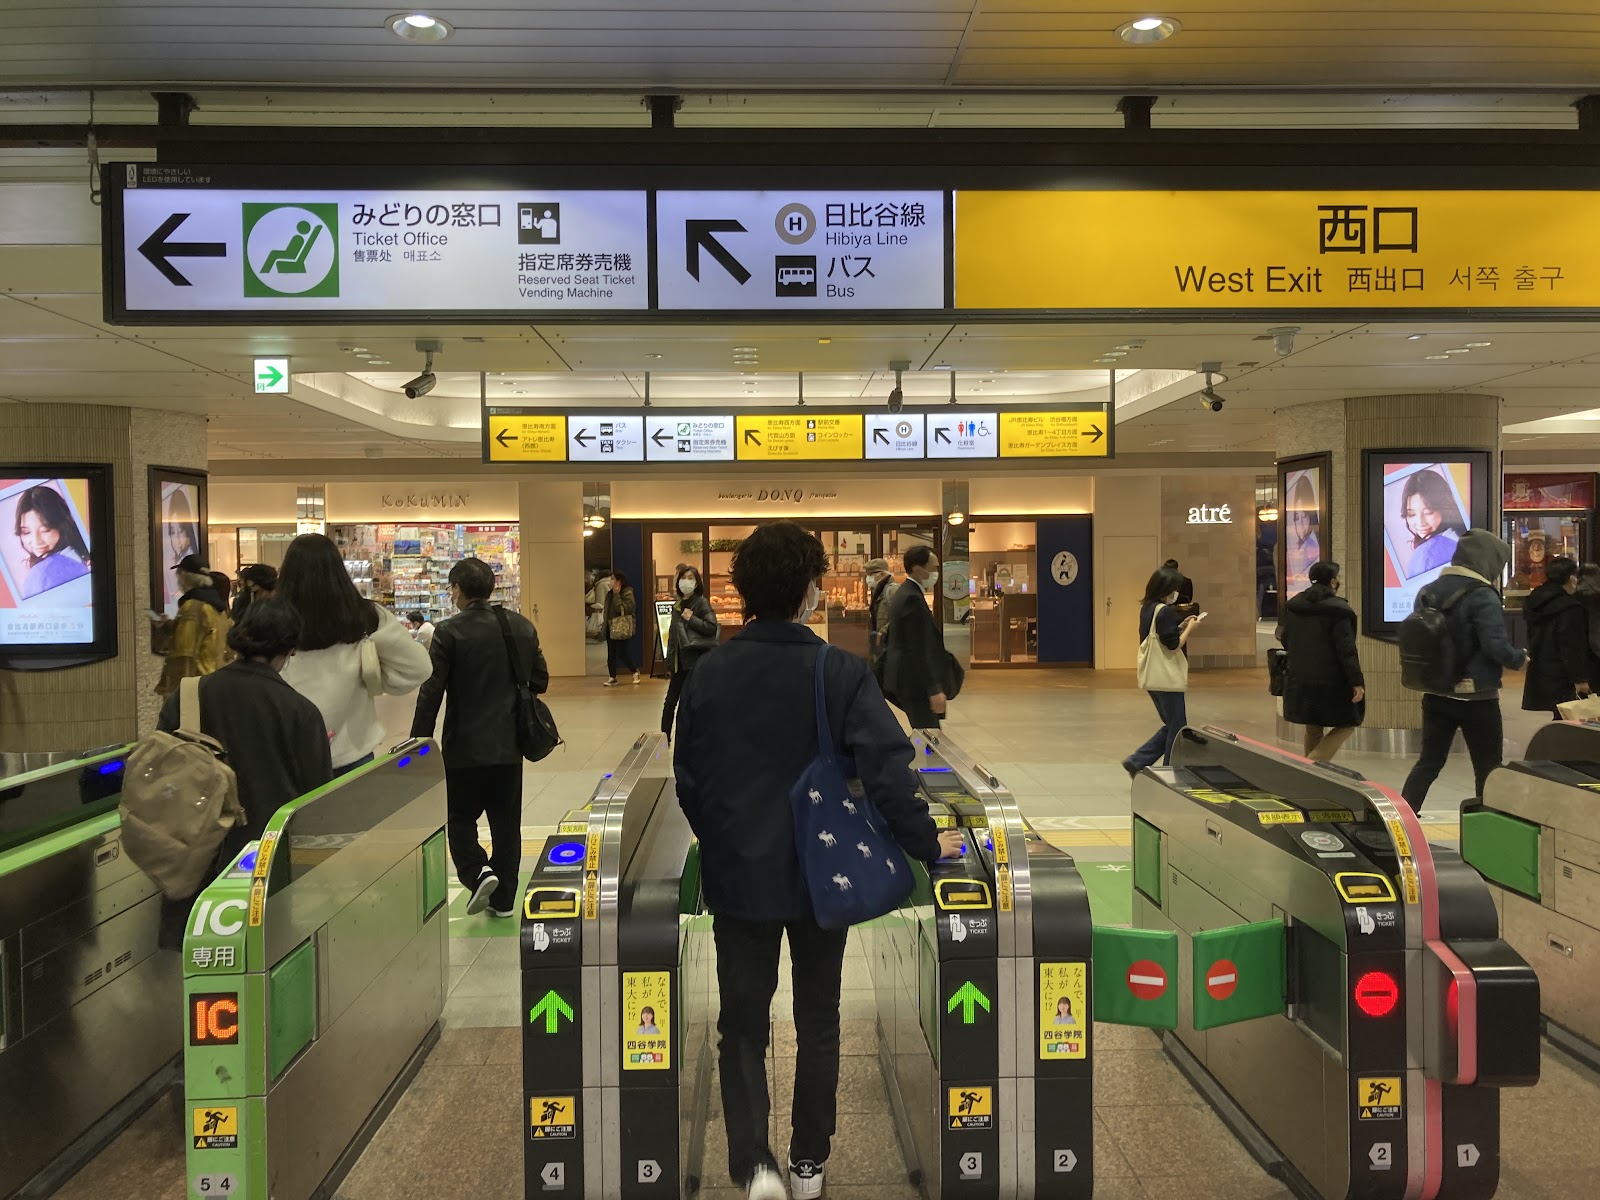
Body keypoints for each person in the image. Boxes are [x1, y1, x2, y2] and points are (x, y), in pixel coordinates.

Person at [673, 521, 963, 1200]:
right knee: (819, 1019)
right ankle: (808, 1163)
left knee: (741, 1024)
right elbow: (888, 772)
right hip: (821, 874)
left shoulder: (709, 671)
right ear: (811, 591)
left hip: (739, 876)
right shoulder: (839, 670)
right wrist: (929, 845)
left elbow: (689, 778)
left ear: (741, 593)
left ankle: (755, 1166)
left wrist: (724, 841)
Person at [153, 599, 333, 945]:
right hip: (264, 862)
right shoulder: (299, 711)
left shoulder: (186, 696)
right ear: (289, 649)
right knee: (258, 955)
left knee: (198, 955)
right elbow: (316, 799)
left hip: (190, 854)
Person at [411, 557, 548, 917]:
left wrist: (418, 742)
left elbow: (432, 691)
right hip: (509, 745)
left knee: (458, 817)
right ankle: (504, 901)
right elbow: (540, 681)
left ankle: (477, 871)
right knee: (506, 825)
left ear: (457, 589)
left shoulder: (448, 632)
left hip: (464, 746)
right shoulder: (521, 626)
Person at [276, 533, 433, 776]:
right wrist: (376, 674)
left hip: (286, 753)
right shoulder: (365, 615)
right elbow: (419, 668)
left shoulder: (271, 617)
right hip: (352, 748)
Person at [1401, 531, 1527, 811]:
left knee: (1429, 762)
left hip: (1436, 691)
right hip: (1477, 698)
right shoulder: (1483, 595)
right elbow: (1495, 645)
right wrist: (1519, 658)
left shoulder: (1428, 590)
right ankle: (1484, 826)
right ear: (1488, 560)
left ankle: (1403, 818)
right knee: (1487, 766)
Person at [1276, 561, 1366, 762]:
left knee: (1313, 726)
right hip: (1332, 680)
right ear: (1333, 582)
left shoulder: (1294, 606)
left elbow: (1286, 639)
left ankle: (1311, 775)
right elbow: (1346, 650)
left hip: (1300, 676)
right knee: (1349, 723)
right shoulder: (1340, 610)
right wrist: (1356, 682)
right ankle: (1313, 763)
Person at [1123, 566, 1201, 775]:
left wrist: (1179, 627)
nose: (1176, 594)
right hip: (1166, 677)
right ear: (1166, 589)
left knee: (1171, 723)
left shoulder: (1148, 608)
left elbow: (1160, 636)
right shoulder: (1164, 611)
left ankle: (1138, 761)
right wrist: (1190, 630)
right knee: (1177, 727)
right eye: (1174, 589)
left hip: (1153, 675)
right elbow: (1173, 645)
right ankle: (1169, 771)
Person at [883, 546, 949, 728]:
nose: (936, 572)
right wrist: (933, 689)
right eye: (933, 567)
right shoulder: (912, 598)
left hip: (904, 679)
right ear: (918, 568)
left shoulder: (905, 592)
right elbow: (918, 648)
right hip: (914, 684)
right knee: (927, 734)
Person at [1521, 556, 1592, 719]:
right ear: (1570, 577)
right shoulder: (1569, 608)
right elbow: (1571, 645)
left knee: (1560, 716)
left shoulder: (1536, 601)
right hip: (1564, 674)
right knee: (1570, 719)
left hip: (1542, 669)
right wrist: (1579, 678)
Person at [154, 554, 228, 696]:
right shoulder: (217, 607)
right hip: (212, 683)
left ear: (184, 577)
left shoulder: (192, 607)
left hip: (194, 689)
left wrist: (178, 695)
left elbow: (184, 654)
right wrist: (170, 626)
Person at [661, 565, 718, 737]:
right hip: (679, 663)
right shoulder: (677, 606)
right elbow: (673, 637)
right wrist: (669, 662)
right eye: (684, 578)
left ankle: (694, 736)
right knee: (670, 702)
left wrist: (691, 619)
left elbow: (711, 627)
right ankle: (664, 738)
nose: (687, 581)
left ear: (697, 582)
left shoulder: (701, 603)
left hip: (695, 662)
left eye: (691, 578)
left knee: (690, 702)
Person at [12, 483, 90, 600]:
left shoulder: (45, 572)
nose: (36, 541)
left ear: (62, 526)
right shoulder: (79, 556)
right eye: (26, 532)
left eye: (45, 530)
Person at [1399, 469, 1467, 578]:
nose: (1420, 523)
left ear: (1445, 508)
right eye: (1411, 514)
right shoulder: (1463, 537)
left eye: (1428, 512)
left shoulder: (1427, 554)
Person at [603, 571, 640, 686]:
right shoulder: (609, 593)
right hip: (610, 626)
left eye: (613, 579)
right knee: (611, 653)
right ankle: (612, 677)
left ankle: (634, 671)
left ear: (619, 581)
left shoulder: (627, 592)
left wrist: (617, 594)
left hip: (622, 626)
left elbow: (623, 609)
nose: (611, 581)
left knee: (622, 653)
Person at [1286, 475, 1321, 589]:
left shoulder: (1312, 548)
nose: (1300, 525)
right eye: (1296, 517)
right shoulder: (1300, 548)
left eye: (1304, 516)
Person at [864, 557, 894, 661]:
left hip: (890, 645)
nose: (868, 578)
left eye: (871, 575)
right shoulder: (879, 591)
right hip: (881, 646)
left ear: (881, 574)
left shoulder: (892, 591)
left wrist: (882, 632)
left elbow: (901, 616)